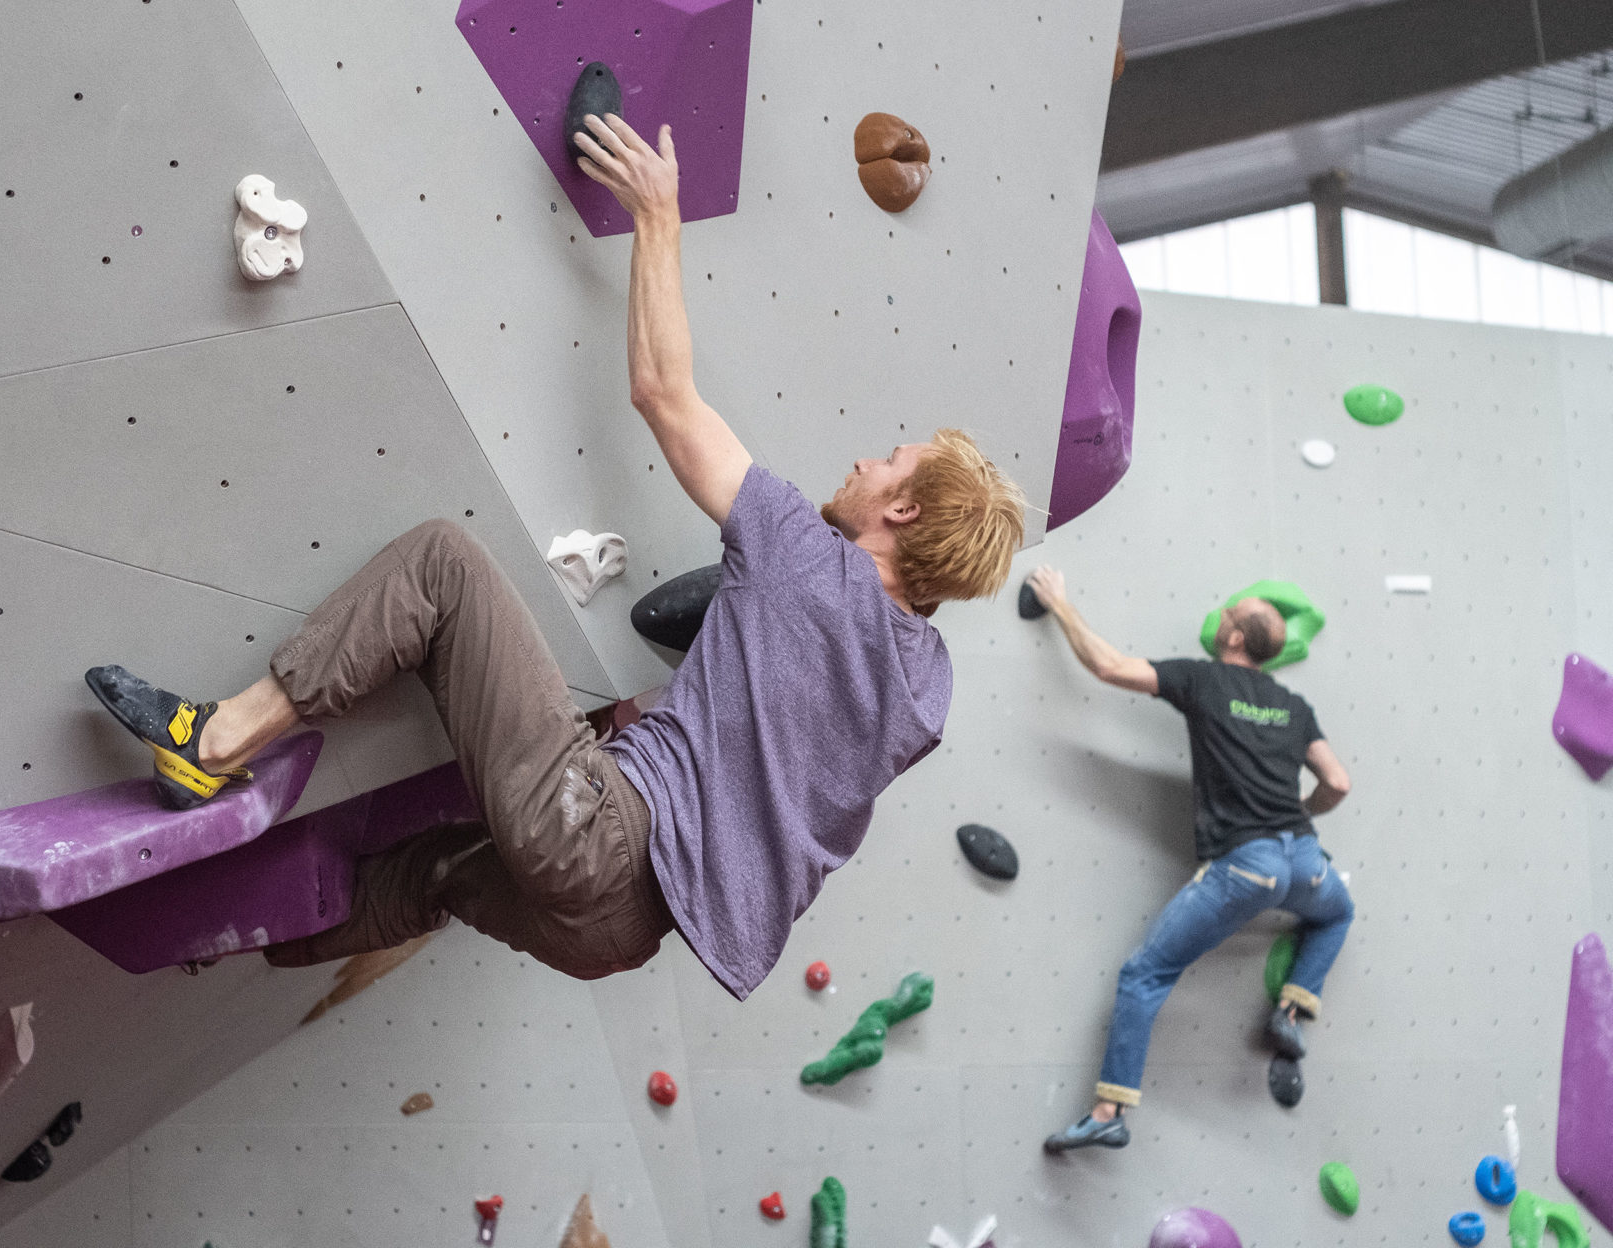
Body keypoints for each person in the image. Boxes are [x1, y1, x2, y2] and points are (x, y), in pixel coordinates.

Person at [82, 111, 1027, 998]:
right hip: (621, 937)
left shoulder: (805, 562)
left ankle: (209, 745)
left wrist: (658, 216)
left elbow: (663, 390)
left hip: (599, 835)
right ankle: (227, 931)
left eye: (889, 460)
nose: (866, 458)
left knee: (442, 566)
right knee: (432, 875)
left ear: (902, 510)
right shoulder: (925, 688)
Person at [1027, 566, 1355, 1151]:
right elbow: (1338, 781)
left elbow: (1108, 666)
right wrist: (1301, 812)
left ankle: (1109, 1111)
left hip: (1245, 866)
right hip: (1302, 858)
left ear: (1232, 638)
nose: (1223, 616)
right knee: (1336, 913)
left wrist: (1060, 606)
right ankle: (1293, 1012)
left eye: (1230, 613)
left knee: (1146, 975)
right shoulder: (1293, 705)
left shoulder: (1203, 682)